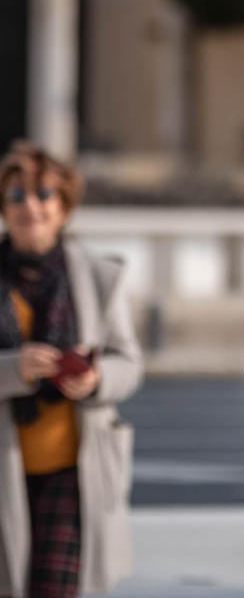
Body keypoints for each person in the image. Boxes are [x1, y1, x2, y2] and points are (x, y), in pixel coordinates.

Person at [0, 142, 142, 598]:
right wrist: (12, 369)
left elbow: (128, 362)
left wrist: (96, 380)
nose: (31, 207)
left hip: (73, 468)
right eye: (17, 195)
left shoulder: (100, 276)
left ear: (64, 207)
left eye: (44, 194)